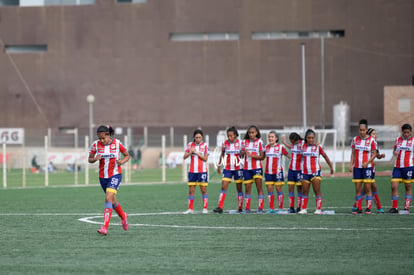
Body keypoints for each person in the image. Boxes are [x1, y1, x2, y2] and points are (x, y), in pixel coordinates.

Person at [88, 125, 130, 235]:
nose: (101, 140)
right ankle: (123, 216)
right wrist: (95, 159)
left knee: (108, 198)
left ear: (109, 135)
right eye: (99, 138)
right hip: (103, 177)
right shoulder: (95, 145)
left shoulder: (117, 144)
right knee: (112, 200)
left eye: (103, 138)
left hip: (115, 175)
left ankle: (105, 227)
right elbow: (90, 159)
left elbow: (127, 155)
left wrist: (121, 162)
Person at [298, 129, 334, 214]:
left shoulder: (318, 147)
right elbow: (295, 138)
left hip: (315, 172)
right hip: (305, 172)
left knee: (317, 190)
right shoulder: (302, 146)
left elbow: (325, 156)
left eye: (312, 138)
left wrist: (331, 167)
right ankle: (304, 209)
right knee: (305, 191)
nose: (311, 139)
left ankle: (318, 209)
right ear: (306, 138)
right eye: (309, 138)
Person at [351, 128, 385, 213]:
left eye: (375, 134)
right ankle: (377, 207)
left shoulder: (373, 142)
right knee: (369, 188)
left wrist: (380, 156)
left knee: (369, 188)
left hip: (370, 168)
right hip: (366, 168)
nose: (375, 135)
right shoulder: (368, 142)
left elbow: (376, 155)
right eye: (373, 134)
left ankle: (358, 205)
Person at [349, 119, 378, 214]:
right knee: (357, 189)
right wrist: (351, 165)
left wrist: (367, 162)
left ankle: (368, 208)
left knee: (367, 188)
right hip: (357, 168)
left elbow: (374, 154)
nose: (362, 132)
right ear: (359, 130)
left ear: (366, 130)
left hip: (368, 168)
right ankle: (359, 208)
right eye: (360, 130)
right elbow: (353, 153)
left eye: (364, 130)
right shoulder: (355, 140)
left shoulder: (371, 141)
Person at [213, 127, 244, 214]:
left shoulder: (241, 143)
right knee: (223, 186)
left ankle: (240, 207)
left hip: (238, 168)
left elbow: (243, 155)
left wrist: (242, 153)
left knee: (239, 188)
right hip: (227, 168)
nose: (229, 137)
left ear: (235, 135)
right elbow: (222, 155)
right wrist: (219, 166)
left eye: (231, 135)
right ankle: (220, 207)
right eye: (228, 136)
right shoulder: (225, 143)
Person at [183, 129, 209, 214]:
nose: (198, 139)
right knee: (191, 190)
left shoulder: (205, 145)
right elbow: (184, 156)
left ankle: (205, 208)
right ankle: (190, 209)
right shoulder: (190, 145)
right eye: (196, 137)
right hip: (192, 171)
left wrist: (197, 153)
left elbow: (205, 159)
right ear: (194, 137)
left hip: (202, 171)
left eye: (200, 137)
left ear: (202, 138)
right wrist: (191, 151)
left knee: (203, 189)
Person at [389, 123, 414, 214]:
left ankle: (406, 208)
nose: (406, 134)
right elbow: (394, 150)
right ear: (402, 132)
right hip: (397, 167)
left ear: (410, 132)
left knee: (407, 186)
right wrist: (394, 153)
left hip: (409, 167)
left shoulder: (413, 141)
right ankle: (394, 208)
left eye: (408, 132)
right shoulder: (398, 140)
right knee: (393, 186)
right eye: (404, 132)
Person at [241, 125, 265, 213]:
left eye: (253, 132)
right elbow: (241, 155)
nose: (251, 134)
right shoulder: (244, 142)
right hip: (246, 169)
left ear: (256, 133)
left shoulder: (260, 142)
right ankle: (247, 208)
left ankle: (260, 208)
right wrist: (242, 152)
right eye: (250, 133)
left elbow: (262, 157)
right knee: (247, 188)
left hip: (257, 168)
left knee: (259, 187)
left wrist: (252, 155)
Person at [264, 131, 290, 213]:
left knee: (279, 189)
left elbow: (288, 155)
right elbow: (261, 156)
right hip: (268, 172)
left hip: (278, 172)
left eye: (272, 137)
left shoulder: (280, 147)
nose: (270, 138)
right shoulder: (266, 147)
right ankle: (271, 208)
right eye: (269, 137)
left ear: (276, 138)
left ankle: (280, 208)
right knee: (269, 190)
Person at [282, 132, 304, 213]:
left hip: (299, 170)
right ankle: (291, 207)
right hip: (291, 169)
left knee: (299, 190)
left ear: (297, 140)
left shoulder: (302, 144)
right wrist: (284, 142)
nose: (292, 143)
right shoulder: (293, 145)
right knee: (290, 189)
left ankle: (298, 207)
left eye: (293, 142)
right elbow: (291, 147)